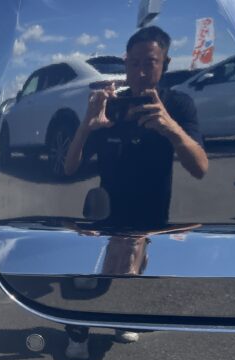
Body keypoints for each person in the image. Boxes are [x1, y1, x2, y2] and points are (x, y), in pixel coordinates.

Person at [64, 26, 209, 230]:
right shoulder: (110, 108)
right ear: (126, 64)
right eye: (133, 64)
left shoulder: (177, 105)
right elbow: (70, 168)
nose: (140, 72)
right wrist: (86, 125)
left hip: (153, 225)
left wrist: (171, 128)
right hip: (107, 225)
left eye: (149, 64)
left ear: (165, 64)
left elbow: (200, 168)